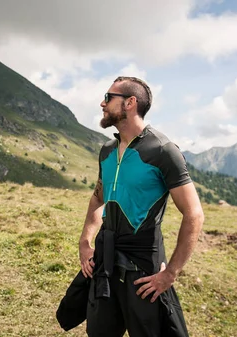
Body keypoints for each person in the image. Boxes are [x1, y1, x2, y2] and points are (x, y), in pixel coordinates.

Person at [78, 76, 204, 337]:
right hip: (105, 261)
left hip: (144, 270)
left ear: (130, 103)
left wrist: (170, 273)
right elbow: (98, 198)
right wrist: (85, 243)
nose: (102, 103)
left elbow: (194, 214)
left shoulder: (162, 151)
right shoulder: (107, 150)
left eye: (109, 97)